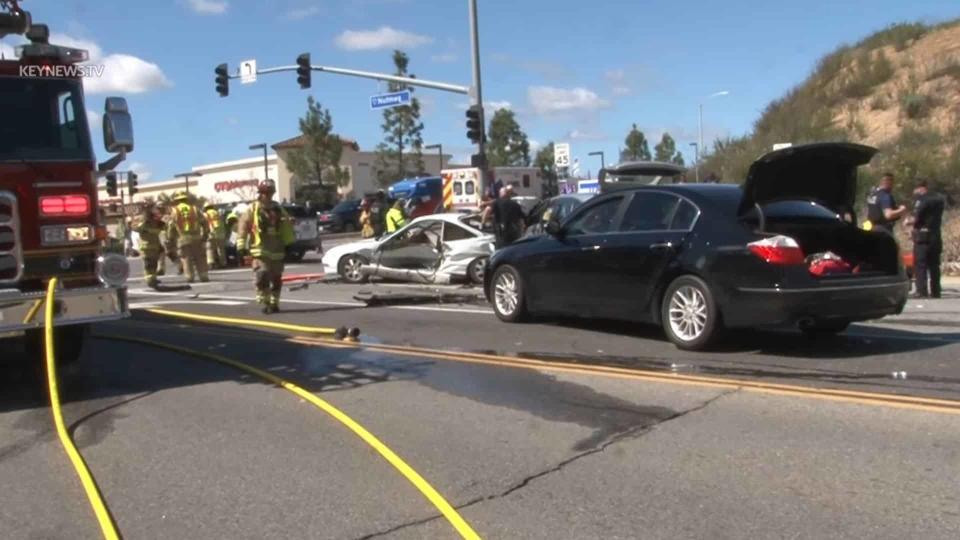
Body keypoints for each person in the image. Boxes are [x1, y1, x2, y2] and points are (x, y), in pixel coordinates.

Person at [236, 180, 294, 314]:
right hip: (260, 248)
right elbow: (243, 227)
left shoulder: (278, 208)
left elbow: (287, 223)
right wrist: (240, 246)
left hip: (277, 249)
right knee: (262, 275)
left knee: (276, 278)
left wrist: (289, 241)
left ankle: (274, 303)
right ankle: (265, 301)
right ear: (260, 193)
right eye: (265, 193)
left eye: (270, 193)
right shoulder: (253, 208)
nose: (268, 195)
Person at [909, 179, 945, 298]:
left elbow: (916, 218)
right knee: (934, 265)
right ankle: (936, 291)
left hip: (922, 236)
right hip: (935, 234)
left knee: (920, 264)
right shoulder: (939, 199)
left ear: (919, 188)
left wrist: (907, 222)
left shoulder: (921, 200)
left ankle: (922, 291)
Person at [166, 191, 209, 283]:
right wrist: (205, 235)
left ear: (177, 201)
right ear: (186, 199)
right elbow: (204, 223)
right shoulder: (194, 209)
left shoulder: (174, 211)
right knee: (200, 257)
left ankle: (190, 276)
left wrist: (170, 239)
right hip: (197, 238)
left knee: (186, 258)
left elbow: (171, 227)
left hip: (183, 239)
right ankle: (203, 276)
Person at [135, 204, 166, 289]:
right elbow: (136, 228)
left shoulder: (156, 224)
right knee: (148, 265)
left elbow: (163, 226)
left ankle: (153, 278)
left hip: (154, 248)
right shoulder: (143, 225)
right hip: (146, 248)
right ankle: (149, 280)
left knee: (154, 264)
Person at [204, 203, 227, 269]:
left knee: (210, 249)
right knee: (221, 249)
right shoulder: (217, 213)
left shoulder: (205, 214)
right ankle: (223, 263)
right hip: (221, 234)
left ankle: (211, 263)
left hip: (211, 234)